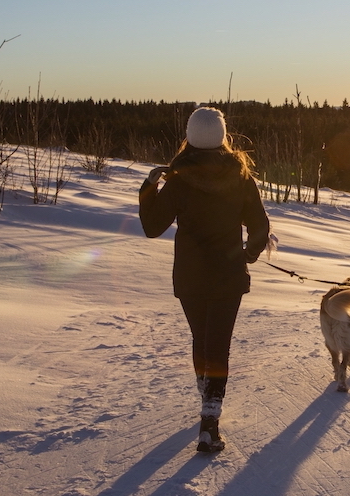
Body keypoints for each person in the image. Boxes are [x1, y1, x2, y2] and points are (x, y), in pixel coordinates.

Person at [139, 106, 271, 453]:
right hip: (227, 276)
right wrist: (249, 255)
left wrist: (149, 187)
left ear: (191, 136)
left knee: (202, 339)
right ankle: (209, 419)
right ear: (222, 137)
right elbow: (260, 228)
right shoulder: (241, 177)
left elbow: (152, 227)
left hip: (190, 276)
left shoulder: (178, 179)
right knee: (217, 345)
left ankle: (207, 399)